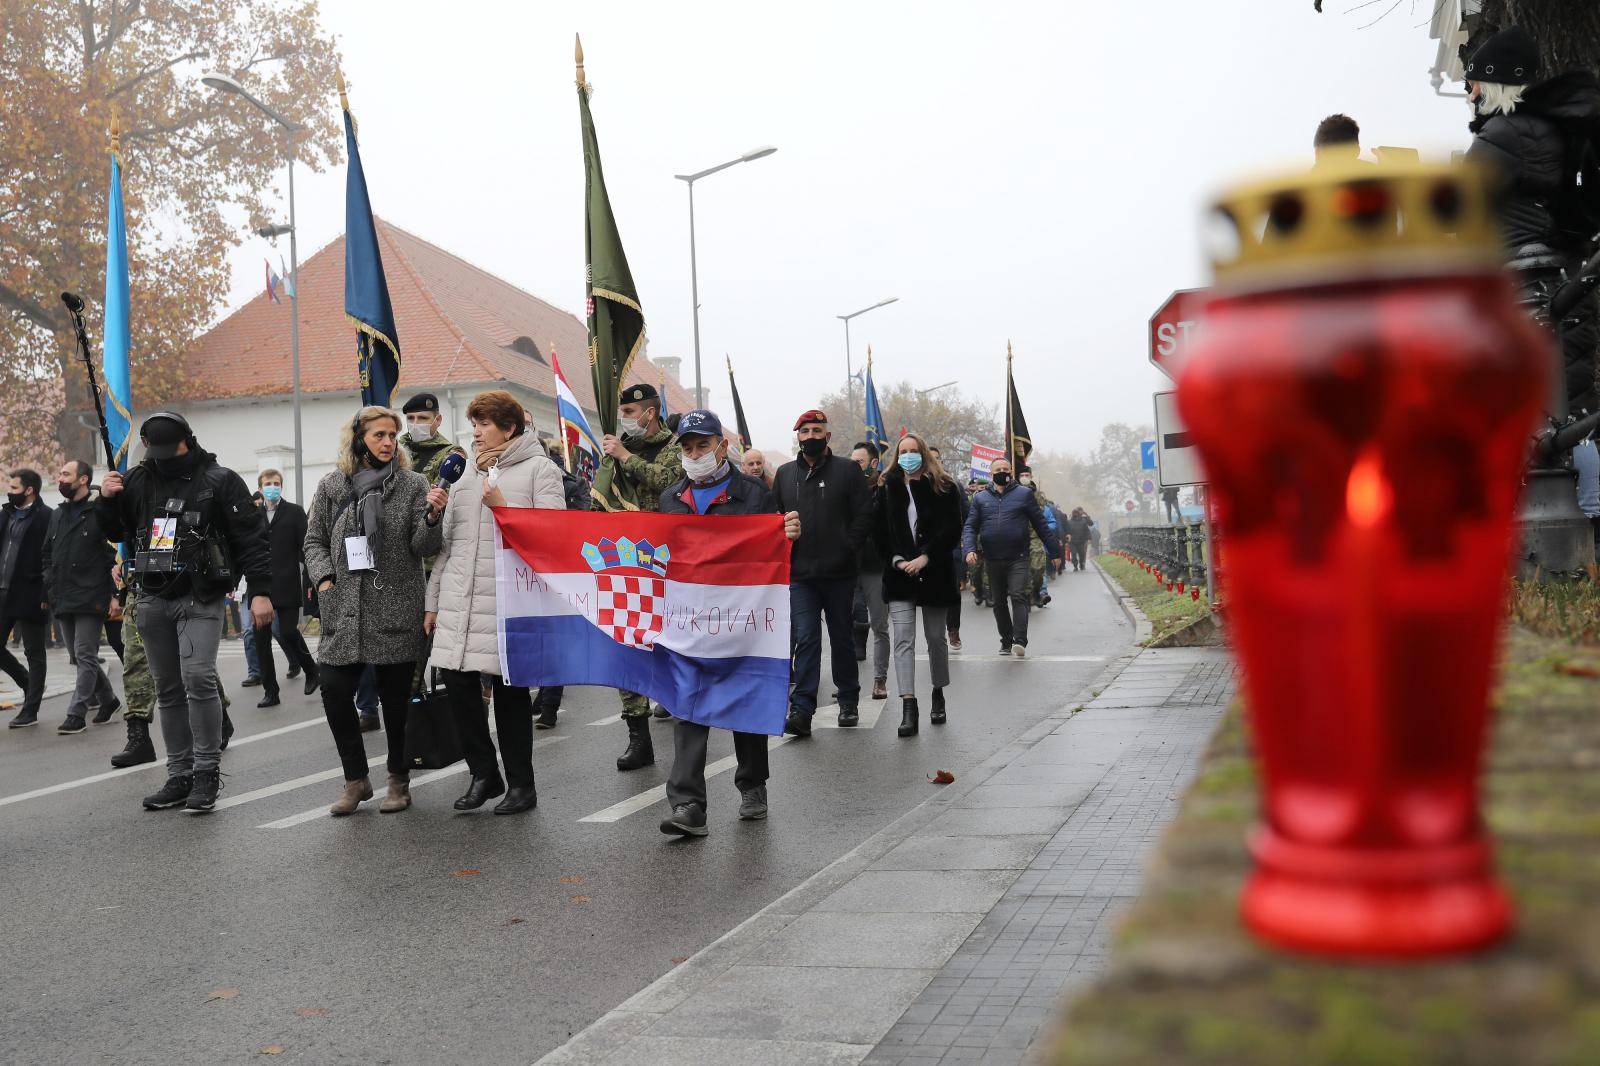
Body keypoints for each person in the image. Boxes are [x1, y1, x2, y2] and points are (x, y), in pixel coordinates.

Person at [98, 412, 273, 813]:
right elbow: (116, 531)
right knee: (168, 689)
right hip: (151, 595)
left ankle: (207, 773)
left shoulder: (220, 480)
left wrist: (260, 592)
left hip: (201, 595)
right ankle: (179, 774)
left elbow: (251, 538)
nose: (162, 457)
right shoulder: (139, 480)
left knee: (197, 676)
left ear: (188, 441)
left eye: (169, 449)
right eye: (154, 450)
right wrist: (106, 499)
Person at [656, 410, 801, 837]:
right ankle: (688, 805)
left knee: (744, 702)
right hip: (688, 620)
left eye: (703, 445)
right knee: (687, 705)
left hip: (741, 616)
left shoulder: (753, 493)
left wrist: (788, 533)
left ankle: (752, 784)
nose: (695, 454)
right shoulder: (670, 499)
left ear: (722, 446)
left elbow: (773, 549)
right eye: (687, 447)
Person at [426, 391, 564, 815]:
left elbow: (554, 538)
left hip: (509, 602)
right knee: (460, 692)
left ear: (510, 428)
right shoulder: (464, 471)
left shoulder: (540, 469)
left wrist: (504, 509)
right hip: (458, 600)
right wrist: (432, 601)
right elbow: (448, 546)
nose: (477, 432)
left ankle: (522, 785)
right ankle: (484, 773)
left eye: (485, 424)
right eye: (474, 423)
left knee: (510, 697)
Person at [303, 407, 445, 816]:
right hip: (343, 608)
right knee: (333, 690)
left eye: (392, 436)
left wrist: (432, 515)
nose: (387, 443)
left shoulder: (413, 484)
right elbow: (314, 541)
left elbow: (423, 547)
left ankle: (398, 779)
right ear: (358, 439)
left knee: (396, 701)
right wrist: (325, 580)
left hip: (396, 605)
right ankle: (355, 779)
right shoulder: (332, 485)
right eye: (379, 435)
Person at [1466, 24, 1600, 419]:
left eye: (1473, 83)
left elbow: (1458, 205)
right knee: (1573, 407)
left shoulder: (1502, 135)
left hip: (1528, 288)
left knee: (1536, 418)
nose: (1469, 94)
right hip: (1564, 278)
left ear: (1494, 83)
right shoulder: (1547, 128)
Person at [595, 382, 684, 771]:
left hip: (668, 564)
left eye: (630, 414)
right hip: (625, 562)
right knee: (627, 647)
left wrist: (626, 455)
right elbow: (598, 500)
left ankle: (688, 722)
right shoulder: (615, 453)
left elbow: (669, 483)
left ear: (650, 413)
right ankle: (638, 736)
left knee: (673, 648)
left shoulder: (677, 446)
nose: (624, 420)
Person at [772, 409, 873, 736]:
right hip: (801, 575)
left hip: (840, 574)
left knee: (842, 638)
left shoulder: (847, 471)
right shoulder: (785, 475)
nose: (811, 436)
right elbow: (774, 520)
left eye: (817, 431)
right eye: (805, 432)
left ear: (827, 436)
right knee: (806, 639)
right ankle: (801, 709)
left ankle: (848, 701)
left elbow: (863, 516)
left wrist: (848, 548)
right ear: (797, 437)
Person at [876, 434, 961, 738]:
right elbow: (880, 532)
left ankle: (938, 692)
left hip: (935, 572)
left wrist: (926, 557)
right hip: (899, 575)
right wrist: (898, 560)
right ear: (896, 456)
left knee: (936, 638)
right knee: (903, 640)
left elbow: (952, 528)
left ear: (924, 454)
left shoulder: (945, 486)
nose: (908, 456)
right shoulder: (887, 487)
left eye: (914, 451)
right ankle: (908, 705)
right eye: (903, 452)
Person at [43, 460, 119, 734]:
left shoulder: (99, 511)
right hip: (62, 594)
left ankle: (76, 713)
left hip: (91, 594)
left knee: (86, 653)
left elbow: (111, 556)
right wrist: (48, 587)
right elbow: (48, 554)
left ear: (83, 479)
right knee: (77, 655)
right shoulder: (57, 514)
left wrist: (114, 595)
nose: (60, 478)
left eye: (65, 474)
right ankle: (109, 699)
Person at [962, 456, 1060, 659]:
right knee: (998, 601)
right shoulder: (980, 499)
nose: (1002, 472)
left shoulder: (1024, 494)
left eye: (1006, 469)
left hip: (1018, 556)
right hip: (992, 558)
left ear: (1011, 472)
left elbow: (1041, 524)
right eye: (998, 469)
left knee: (1018, 595)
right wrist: (969, 549)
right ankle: (1006, 640)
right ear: (991, 474)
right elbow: (971, 526)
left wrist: (1055, 552)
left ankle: (1019, 640)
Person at [246, 469, 319, 707]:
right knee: (262, 641)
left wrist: (313, 579)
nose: (273, 487)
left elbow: (308, 549)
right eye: (268, 483)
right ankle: (271, 692)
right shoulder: (252, 515)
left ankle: (311, 669)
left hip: (287, 584)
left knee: (288, 632)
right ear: (260, 487)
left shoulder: (295, 512)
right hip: (259, 588)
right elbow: (245, 549)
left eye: (276, 483)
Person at [1, 469, 51, 729]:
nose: (9, 491)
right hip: (3, 593)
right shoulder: (6, 513)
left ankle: (30, 709)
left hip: (30, 593)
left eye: (14, 487)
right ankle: (27, 682)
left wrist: (46, 592)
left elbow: (49, 559)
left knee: (35, 653)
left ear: (29, 490)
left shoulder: (46, 517)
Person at [848, 442, 890, 707]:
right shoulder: (846, 490)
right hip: (848, 567)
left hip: (876, 567)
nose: (854, 468)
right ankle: (847, 683)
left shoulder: (886, 492)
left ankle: (880, 678)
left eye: (859, 463)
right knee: (843, 625)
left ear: (873, 464)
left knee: (880, 625)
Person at [1019, 467, 1060, 608]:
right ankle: (1027, 595)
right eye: (1021, 475)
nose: (1024, 477)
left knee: (1037, 569)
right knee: (1021, 571)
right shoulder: (1011, 493)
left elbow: (1051, 522)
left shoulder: (1039, 498)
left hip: (1035, 538)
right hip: (1017, 539)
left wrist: (1044, 530)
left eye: (1026, 474)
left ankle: (1038, 590)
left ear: (1031, 476)